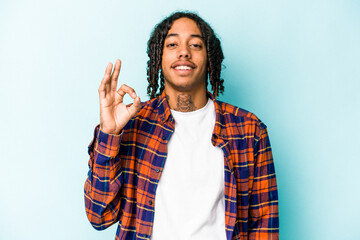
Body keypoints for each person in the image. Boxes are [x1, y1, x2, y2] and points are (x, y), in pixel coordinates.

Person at [84, 11, 279, 240]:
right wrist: (109, 133)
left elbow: (264, 226)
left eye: (195, 44)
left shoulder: (249, 130)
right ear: (158, 58)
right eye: (172, 44)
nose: (184, 51)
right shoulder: (132, 124)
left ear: (210, 59)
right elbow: (100, 215)